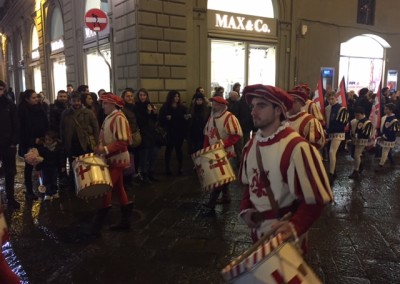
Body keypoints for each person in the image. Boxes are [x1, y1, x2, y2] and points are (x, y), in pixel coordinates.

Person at [239, 84, 333, 251]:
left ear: (278, 110)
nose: (253, 112)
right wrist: (246, 209)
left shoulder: (297, 148)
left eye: (261, 105)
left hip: (286, 241)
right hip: (258, 236)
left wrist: (295, 226)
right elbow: (250, 185)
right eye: (253, 106)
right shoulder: (251, 145)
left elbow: (316, 198)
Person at [92, 93, 134, 236]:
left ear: (112, 104)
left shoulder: (119, 118)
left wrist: (104, 149)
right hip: (111, 158)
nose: (102, 106)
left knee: (107, 187)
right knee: (118, 187)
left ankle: (99, 222)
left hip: (118, 159)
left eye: (105, 103)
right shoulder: (110, 118)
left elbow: (123, 141)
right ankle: (125, 220)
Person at [203, 95, 242, 209]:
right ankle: (226, 196)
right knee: (223, 176)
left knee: (219, 177)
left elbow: (236, 135)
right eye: (213, 103)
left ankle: (211, 203)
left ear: (221, 105)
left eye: (215, 104)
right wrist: (205, 150)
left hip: (225, 152)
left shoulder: (229, 117)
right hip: (213, 152)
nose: (213, 106)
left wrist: (223, 144)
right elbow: (207, 135)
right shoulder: (211, 118)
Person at [60, 91, 99, 181]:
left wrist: (96, 142)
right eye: (74, 101)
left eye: (78, 101)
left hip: (85, 143)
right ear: (70, 101)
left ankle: (88, 182)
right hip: (71, 143)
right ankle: (74, 183)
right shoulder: (65, 113)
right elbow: (62, 128)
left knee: (86, 163)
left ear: (81, 101)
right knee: (73, 164)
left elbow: (96, 128)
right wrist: (64, 142)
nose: (76, 103)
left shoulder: (88, 113)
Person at [18, 89, 49, 200]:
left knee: (43, 163)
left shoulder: (40, 108)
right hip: (29, 142)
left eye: (37, 97)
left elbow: (45, 122)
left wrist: (46, 137)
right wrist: (32, 140)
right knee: (29, 166)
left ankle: (45, 186)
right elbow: (22, 129)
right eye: (34, 98)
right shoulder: (22, 110)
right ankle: (29, 190)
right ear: (27, 99)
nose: (36, 99)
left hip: (42, 140)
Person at [159, 90, 190, 175]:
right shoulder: (166, 107)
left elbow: (185, 118)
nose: (177, 98)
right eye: (175, 96)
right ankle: (167, 168)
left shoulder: (182, 107)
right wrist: (166, 118)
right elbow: (160, 119)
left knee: (179, 150)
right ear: (171, 97)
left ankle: (180, 168)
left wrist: (186, 118)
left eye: (178, 96)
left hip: (179, 132)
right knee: (168, 150)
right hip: (170, 132)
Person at [0, 80, 20, 209]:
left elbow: (16, 124)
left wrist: (14, 142)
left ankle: (10, 198)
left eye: (1, 89)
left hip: (7, 144)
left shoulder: (9, 105)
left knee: (10, 172)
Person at [134, 88, 159, 183]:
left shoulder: (149, 105)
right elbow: (141, 121)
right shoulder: (137, 107)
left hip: (151, 133)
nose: (142, 97)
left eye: (144, 95)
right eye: (141, 95)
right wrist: (148, 113)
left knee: (153, 155)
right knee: (144, 156)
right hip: (143, 134)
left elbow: (154, 120)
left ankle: (151, 173)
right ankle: (144, 175)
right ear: (138, 96)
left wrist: (154, 113)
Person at [324, 91, 349, 184]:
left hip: (337, 133)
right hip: (330, 133)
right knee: (330, 153)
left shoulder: (342, 109)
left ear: (336, 98)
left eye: (332, 98)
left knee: (331, 152)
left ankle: (331, 173)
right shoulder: (328, 108)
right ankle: (333, 171)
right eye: (328, 99)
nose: (330, 101)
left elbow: (341, 125)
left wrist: (329, 130)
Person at [36, 130, 65, 200]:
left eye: (49, 140)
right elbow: (39, 159)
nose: (47, 141)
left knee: (54, 180)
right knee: (46, 180)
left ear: (54, 140)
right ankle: (47, 193)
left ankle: (54, 192)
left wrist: (62, 166)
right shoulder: (42, 148)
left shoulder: (57, 148)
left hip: (54, 167)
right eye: (46, 139)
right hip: (45, 168)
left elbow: (60, 158)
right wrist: (38, 168)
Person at [348, 106, 373, 179]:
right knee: (353, 155)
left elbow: (366, 134)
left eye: (358, 115)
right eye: (355, 115)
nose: (356, 117)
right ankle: (360, 164)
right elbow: (351, 129)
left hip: (361, 141)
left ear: (363, 114)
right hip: (354, 141)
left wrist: (356, 135)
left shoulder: (367, 122)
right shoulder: (354, 121)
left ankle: (356, 171)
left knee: (356, 155)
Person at [375, 103, 399, 171]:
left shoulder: (394, 120)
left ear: (391, 110)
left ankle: (381, 164)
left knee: (385, 150)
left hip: (389, 138)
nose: (384, 110)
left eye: (386, 109)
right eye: (384, 108)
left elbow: (393, 131)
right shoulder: (384, 117)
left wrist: (384, 136)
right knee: (386, 150)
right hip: (383, 136)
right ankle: (392, 161)